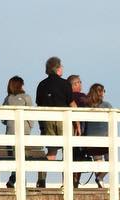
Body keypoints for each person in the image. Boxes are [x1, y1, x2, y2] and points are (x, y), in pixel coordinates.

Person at [34, 56, 77, 188]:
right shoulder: (65, 84)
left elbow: (39, 104)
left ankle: (41, 179)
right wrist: (77, 122)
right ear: (58, 69)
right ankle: (66, 183)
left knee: (51, 152)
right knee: (67, 151)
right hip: (63, 120)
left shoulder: (41, 85)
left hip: (47, 120)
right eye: (61, 66)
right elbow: (72, 104)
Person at [0, 75, 34, 188]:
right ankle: (17, 181)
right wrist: (29, 125)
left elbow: (3, 118)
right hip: (24, 132)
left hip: (10, 132)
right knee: (22, 158)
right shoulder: (26, 97)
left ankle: (13, 179)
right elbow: (31, 115)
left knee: (15, 158)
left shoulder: (7, 99)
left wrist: (8, 124)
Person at [81, 83, 112, 187]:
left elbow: (83, 125)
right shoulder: (107, 105)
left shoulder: (86, 106)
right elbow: (111, 123)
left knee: (97, 161)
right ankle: (100, 178)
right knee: (111, 161)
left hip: (90, 138)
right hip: (105, 137)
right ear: (101, 92)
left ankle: (100, 181)